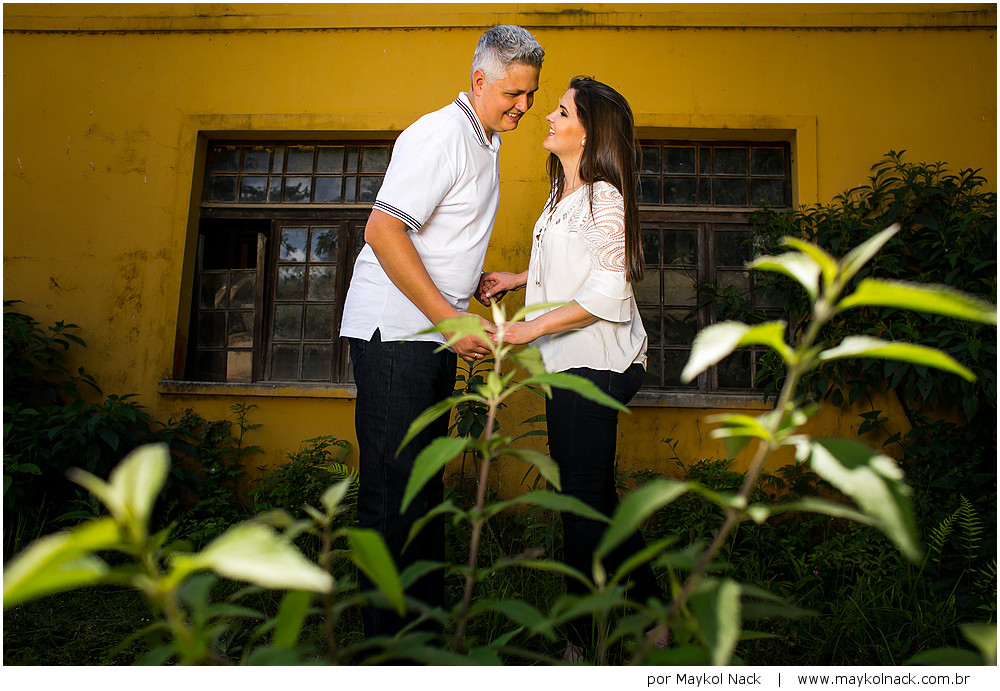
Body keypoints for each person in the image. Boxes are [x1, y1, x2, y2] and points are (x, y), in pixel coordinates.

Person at [339, 25, 544, 639]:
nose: (525, 107)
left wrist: (468, 279)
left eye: (532, 95)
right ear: (479, 80)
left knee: (423, 494)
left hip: (428, 335)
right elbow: (384, 231)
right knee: (394, 497)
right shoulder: (439, 134)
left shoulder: (485, 139)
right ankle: (387, 652)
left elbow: (430, 234)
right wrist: (451, 318)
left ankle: (421, 641)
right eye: (514, 93)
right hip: (398, 338)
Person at [478, 76, 659, 654]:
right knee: (593, 497)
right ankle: (657, 615)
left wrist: (526, 327)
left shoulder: (605, 195)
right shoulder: (563, 198)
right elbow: (569, 271)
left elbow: (608, 287)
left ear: (589, 131)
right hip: (571, 361)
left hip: (599, 363)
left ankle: (580, 643)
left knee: (579, 503)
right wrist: (517, 279)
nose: (547, 117)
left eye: (560, 111)